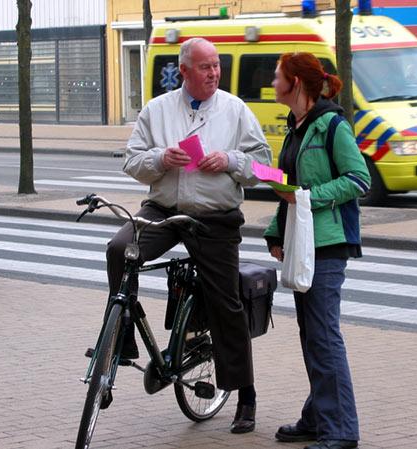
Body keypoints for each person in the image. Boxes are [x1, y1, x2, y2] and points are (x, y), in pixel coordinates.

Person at [107, 37, 271, 434]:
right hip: (164, 209)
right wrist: (160, 159)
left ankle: (245, 395)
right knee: (118, 249)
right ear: (184, 71)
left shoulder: (235, 110)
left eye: (216, 65)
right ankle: (123, 335)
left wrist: (231, 161)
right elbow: (131, 161)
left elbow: (265, 167)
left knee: (225, 303)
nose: (213, 72)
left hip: (215, 217)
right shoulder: (158, 109)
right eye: (205, 66)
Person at [264, 52, 371, 449]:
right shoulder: (295, 128)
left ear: (295, 83)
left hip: (328, 243)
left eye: (277, 77)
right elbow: (289, 191)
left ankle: (341, 431)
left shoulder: (331, 125)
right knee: (312, 336)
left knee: (324, 337)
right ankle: (317, 417)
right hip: (301, 241)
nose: (272, 84)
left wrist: (312, 198)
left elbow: (359, 180)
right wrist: (275, 234)